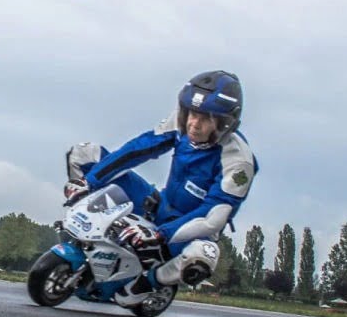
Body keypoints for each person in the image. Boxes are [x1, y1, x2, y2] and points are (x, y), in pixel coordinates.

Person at [62, 70, 257, 305]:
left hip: (186, 232)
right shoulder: (183, 123)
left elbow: (213, 217)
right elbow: (140, 148)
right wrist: (90, 182)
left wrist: (161, 234)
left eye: (206, 118)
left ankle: (149, 282)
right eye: (192, 113)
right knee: (83, 154)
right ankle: (84, 236)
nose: (194, 124)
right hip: (158, 205)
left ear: (224, 123)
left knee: (204, 255)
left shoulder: (239, 161)